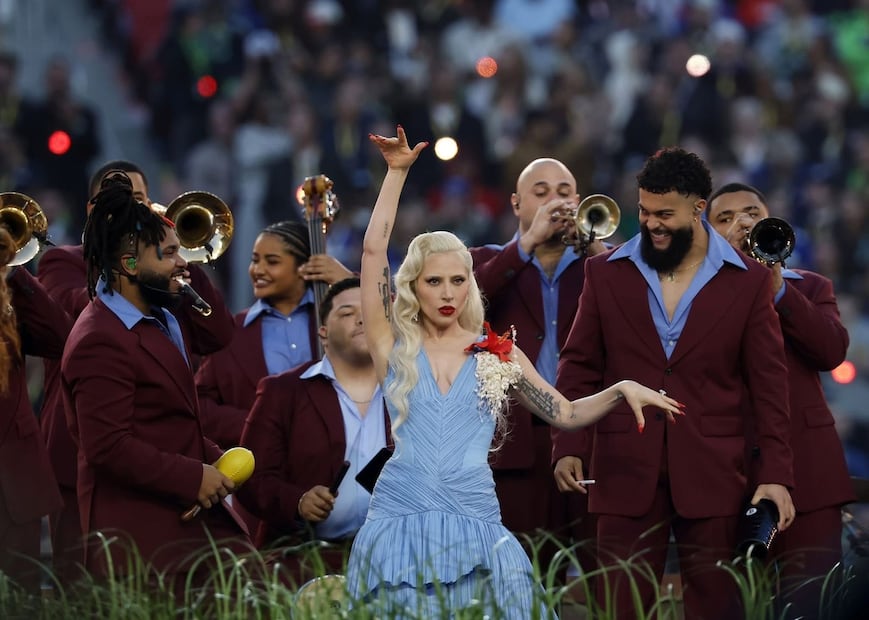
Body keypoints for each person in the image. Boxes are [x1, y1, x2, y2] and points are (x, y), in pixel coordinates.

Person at [344, 127, 682, 617]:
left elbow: (563, 412)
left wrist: (621, 390)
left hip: (478, 521)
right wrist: (396, 174)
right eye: (433, 281)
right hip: (399, 517)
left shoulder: (496, 353)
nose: (446, 292)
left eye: (457, 281)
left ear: (469, 288)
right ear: (414, 287)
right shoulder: (392, 344)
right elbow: (373, 255)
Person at [551, 147, 796, 620]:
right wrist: (569, 442)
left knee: (718, 609)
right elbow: (579, 363)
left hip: (714, 473)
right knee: (618, 609)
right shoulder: (604, 273)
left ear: (699, 209)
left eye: (665, 214)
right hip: (622, 468)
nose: (651, 223)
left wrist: (776, 475)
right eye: (644, 211)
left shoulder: (748, 284)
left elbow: (770, 387)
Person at [38, 160, 234, 583]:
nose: (182, 263)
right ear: (128, 263)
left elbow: (164, 416)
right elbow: (108, 446)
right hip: (139, 541)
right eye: (169, 254)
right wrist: (191, 475)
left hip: (180, 527)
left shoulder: (163, 317)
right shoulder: (98, 335)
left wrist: (213, 458)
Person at [708, 182, 854, 619]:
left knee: (813, 603)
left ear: (771, 220)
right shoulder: (695, 296)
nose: (743, 222)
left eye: (752, 211)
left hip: (810, 479)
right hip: (730, 481)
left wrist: (778, 292)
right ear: (708, 236)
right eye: (726, 218)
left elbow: (831, 351)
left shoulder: (810, 287)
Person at [469, 157, 605, 569]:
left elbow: (638, 317)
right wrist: (525, 245)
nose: (555, 202)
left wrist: (596, 249)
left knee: (607, 576)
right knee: (522, 578)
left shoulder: (602, 264)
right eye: (541, 193)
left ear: (580, 202)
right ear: (515, 204)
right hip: (516, 446)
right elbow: (467, 309)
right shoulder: (481, 259)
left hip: (592, 439)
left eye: (564, 193)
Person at [237, 277, 391, 580]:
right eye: (346, 313)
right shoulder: (283, 391)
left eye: (369, 311)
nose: (361, 318)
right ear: (323, 333)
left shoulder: (409, 390)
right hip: (304, 559)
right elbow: (251, 480)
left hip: (392, 560)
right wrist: (298, 500)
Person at [195, 220, 353, 448]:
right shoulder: (230, 331)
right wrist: (257, 425)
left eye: (272, 262)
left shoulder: (335, 318)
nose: (258, 270)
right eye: (255, 260)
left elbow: (396, 323)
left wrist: (349, 280)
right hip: (261, 470)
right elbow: (200, 405)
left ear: (304, 267)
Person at [0, 226, 69, 593]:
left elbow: (60, 337)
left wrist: (14, 269)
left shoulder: (11, 298)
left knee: (22, 601)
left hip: (12, 485)